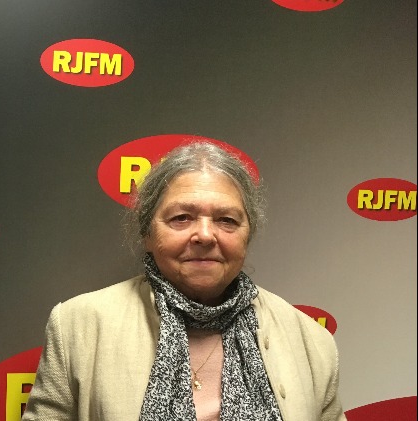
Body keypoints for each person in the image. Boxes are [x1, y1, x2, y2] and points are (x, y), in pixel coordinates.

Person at [22, 141, 345, 420]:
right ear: (148, 234)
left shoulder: (311, 342)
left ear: (248, 235)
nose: (205, 235)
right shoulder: (78, 327)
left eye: (226, 220)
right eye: (181, 218)